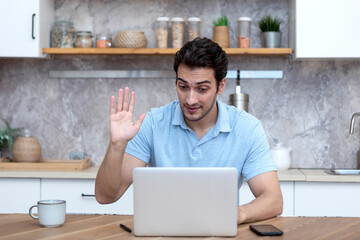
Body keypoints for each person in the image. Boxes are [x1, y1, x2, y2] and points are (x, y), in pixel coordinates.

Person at [95, 37, 283, 224]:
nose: (190, 99)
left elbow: (273, 200)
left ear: (221, 86)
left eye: (202, 89)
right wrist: (116, 145)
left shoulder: (247, 129)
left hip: (219, 233)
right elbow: (106, 196)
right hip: (163, 234)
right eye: (183, 87)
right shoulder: (152, 123)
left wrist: (237, 214)